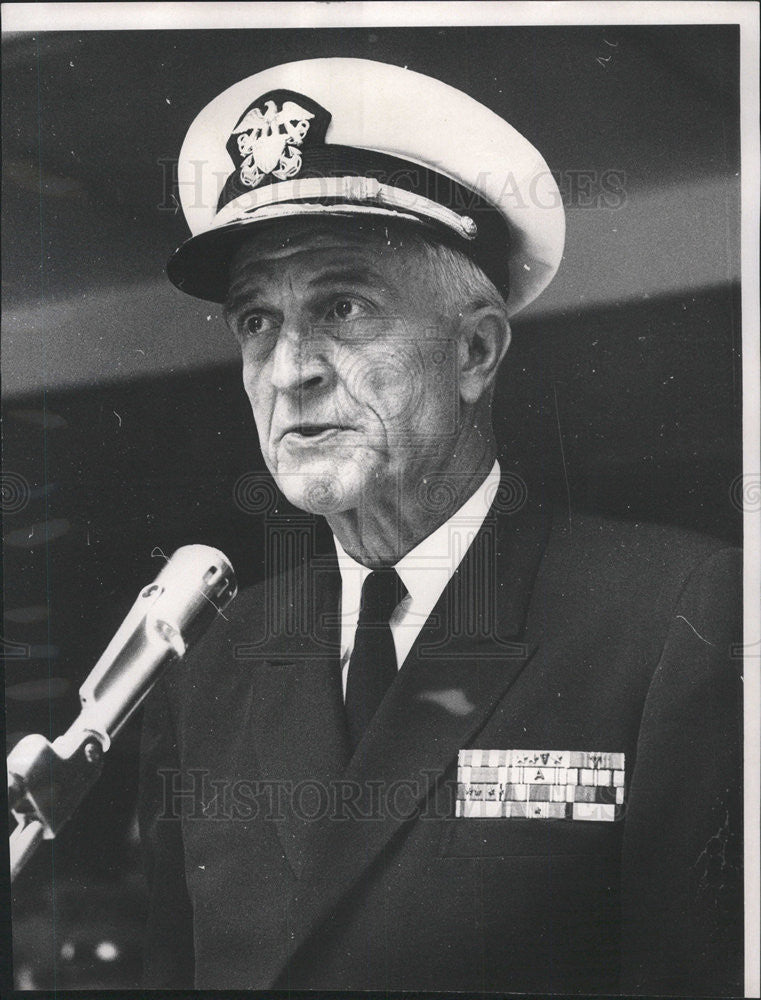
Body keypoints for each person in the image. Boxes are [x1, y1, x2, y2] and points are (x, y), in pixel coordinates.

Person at [139, 58, 743, 994]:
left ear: (474, 351)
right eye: (256, 319)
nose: (290, 368)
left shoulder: (674, 618)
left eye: (341, 307)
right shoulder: (213, 662)